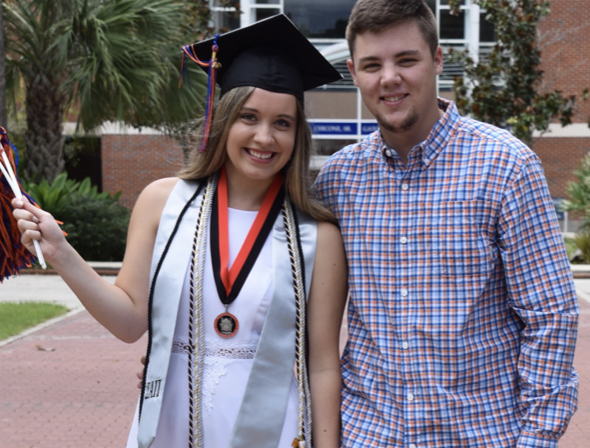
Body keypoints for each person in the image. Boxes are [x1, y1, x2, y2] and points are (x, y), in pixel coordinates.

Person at [12, 14, 346, 448]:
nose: (265, 137)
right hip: (170, 423)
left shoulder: (316, 236)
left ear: (298, 133)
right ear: (224, 118)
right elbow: (130, 321)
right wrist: (61, 253)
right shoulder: (164, 203)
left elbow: (322, 365)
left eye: (282, 122)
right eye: (249, 116)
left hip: (274, 431)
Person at [314, 1, 579, 447]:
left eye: (407, 59)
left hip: (479, 435)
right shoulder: (338, 179)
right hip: (369, 434)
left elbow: (550, 318)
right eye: (372, 64)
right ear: (354, 73)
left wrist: (536, 438)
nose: (389, 78)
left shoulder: (506, 166)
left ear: (438, 60)